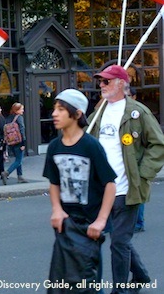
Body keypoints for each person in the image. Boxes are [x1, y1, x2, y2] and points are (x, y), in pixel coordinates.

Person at [87, 65, 164, 293]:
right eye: (100, 81)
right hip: (103, 191)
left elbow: (158, 145)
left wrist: (141, 176)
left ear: (121, 84)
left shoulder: (137, 112)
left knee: (119, 243)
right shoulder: (97, 115)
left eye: (106, 81)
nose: (101, 85)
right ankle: (140, 276)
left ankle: (119, 290)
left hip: (127, 190)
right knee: (120, 241)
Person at [43, 89, 116, 293]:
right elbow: (54, 182)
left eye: (61, 109)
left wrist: (101, 221)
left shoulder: (91, 146)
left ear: (76, 114)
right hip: (67, 223)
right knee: (61, 281)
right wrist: (57, 209)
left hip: (90, 225)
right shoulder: (54, 147)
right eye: (54, 109)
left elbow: (110, 184)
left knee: (88, 281)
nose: (54, 114)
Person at [126, 87, 145, 233]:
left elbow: (154, 143)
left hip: (138, 161)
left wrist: (146, 170)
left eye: (128, 96)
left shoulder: (141, 114)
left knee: (137, 192)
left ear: (134, 97)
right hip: (125, 163)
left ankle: (138, 222)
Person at [2, 102, 28, 183]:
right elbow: (22, 129)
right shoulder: (19, 118)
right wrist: (23, 143)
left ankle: (20, 177)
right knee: (18, 160)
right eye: (21, 109)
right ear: (17, 110)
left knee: (18, 158)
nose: (23, 111)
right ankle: (6, 173)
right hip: (18, 141)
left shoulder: (8, 118)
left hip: (11, 142)